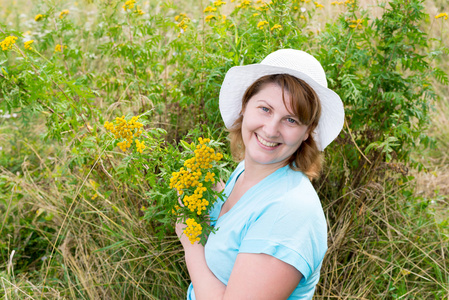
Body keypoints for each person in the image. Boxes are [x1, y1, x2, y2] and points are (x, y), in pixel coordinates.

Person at [176, 49, 345, 299]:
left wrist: (190, 243)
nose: (271, 129)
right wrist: (215, 199)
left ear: (308, 131)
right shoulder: (245, 170)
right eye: (265, 109)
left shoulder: (290, 213)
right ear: (245, 106)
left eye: (291, 120)